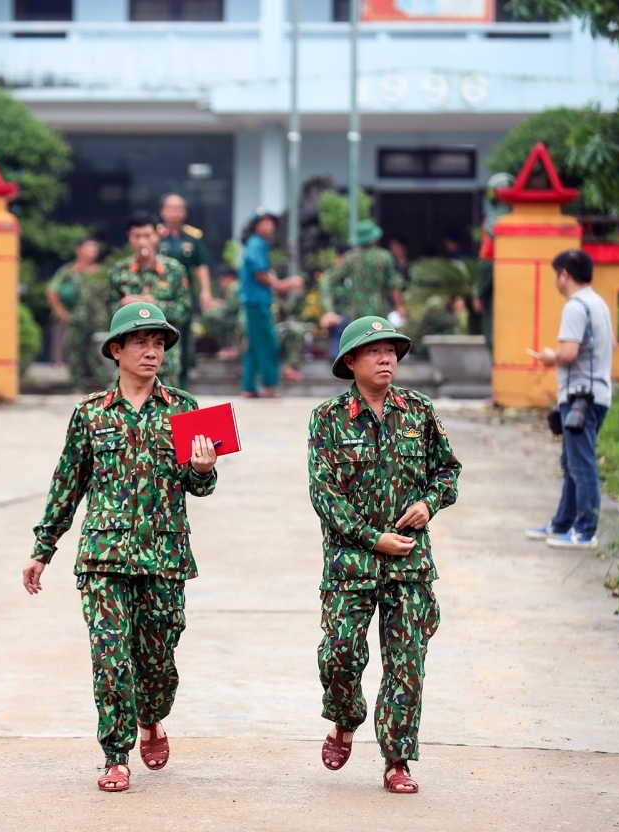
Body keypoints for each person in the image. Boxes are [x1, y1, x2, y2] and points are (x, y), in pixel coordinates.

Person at [23, 301, 219, 793]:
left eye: (158, 343)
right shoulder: (90, 414)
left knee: (157, 663)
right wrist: (42, 549)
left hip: (165, 557)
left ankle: (151, 718)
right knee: (110, 657)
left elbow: (201, 487)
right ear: (116, 350)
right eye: (141, 342)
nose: (152, 352)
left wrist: (202, 469)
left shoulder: (185, 409)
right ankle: (115, 754)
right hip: (103, 558)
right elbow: (66, 486)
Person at [308, 315, 461, 795]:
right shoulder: (328, 418)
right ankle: (345, 717)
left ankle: (397, 759)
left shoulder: (418, 410)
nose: (386, 358)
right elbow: (323, 494)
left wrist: (428, 503)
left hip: (409, 565)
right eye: (375, 351)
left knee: (406, 663)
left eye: (392, 350)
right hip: (352, 563)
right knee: (339, 655)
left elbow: (448, 472)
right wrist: (373, 539)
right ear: (350, 361)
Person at [525, 249, 613, 550]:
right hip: (596, 394)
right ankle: (562, 523)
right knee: (571, 462)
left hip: (581, 398)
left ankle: (585, 531)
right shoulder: (598, 303)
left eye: (555, 274)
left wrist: (550, 356)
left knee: (582, 465)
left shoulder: (575, 306)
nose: (555, 280)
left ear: (564, 274)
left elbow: (568, 353)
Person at [107, 212, 191, 388]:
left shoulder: (174, 270)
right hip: (131, 353)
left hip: (165, 354)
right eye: (136, 236)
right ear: (129, 237)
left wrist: (154, 306)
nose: (142, 242)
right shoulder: (119, 271)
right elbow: (110, 311)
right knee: (126, 405)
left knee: (169, 406)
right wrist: (125, 306)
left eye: (147, 235)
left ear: (157, 236)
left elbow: (184, 309)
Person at [239, 208, 303, 398]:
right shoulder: (256, 244)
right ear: (255, 226)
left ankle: (248, 386)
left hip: (257, 302)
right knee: (268, 343)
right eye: (263, 222)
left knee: (255, 345)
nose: (268, 226)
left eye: (270, 222)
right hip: (256, 302)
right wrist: (284, 284)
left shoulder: (259, 245)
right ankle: (268, 385)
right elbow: (259, 273)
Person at [158, 193, 214, 387]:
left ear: (184, 212)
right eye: (170, 208)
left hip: (183, 299)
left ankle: (180, 387)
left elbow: (202, 266)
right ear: (162, 211)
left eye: (178, 208)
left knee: (182, 340)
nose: (174, 212)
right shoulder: (155, 237)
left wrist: (205, 291)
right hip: (159, 298)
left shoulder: (193, 238)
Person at [320, 220, 406, 338]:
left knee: (358, 342)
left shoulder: (350, 258)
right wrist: (398, 306)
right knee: (378, 340)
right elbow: (393, 284)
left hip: (356, 312)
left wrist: (329, 309)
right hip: (379, 310)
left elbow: (328, 280)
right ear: (374, 238)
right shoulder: (384, 257)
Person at [46, 237, 103, 390]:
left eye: (95, 248)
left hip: (97, 320)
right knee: (75, 354)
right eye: (90, 247)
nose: (94, 251)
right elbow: (52, 291)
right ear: (79, 250)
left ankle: (106, 387)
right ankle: (77, 387)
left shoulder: (99, 272)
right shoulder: (69, 271)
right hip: (75, 319)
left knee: (98, 355)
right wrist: (61, 312)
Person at [473, 172, 514, 348]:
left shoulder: (491, 221)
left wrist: (479, 292)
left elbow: (486, 260)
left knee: (493, 333)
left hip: (495, 287)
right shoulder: (521, 218)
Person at [200, 264, 244, 359]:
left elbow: (230, 309)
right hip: (240, 319)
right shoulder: (239, 287)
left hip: (240, 321)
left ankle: (226, 348)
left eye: (222, 281)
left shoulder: (235, 287)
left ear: (229, 278)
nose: (221, 285)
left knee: (211, 316)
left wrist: (214, 305)